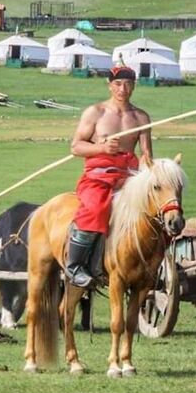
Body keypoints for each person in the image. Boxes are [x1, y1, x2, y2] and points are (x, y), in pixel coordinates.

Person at [66, 64, 153, 288]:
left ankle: (150, 263)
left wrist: (147, 173)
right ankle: (75, 265)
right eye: (118, 84)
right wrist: (102, 148)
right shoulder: (96, 112)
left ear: (134, 86)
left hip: (129, 177)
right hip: (98, 176)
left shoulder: (141, 117)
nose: (123, 89)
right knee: (96, 208)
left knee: (154, 212)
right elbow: (76, 147)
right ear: (109, 85)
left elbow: (146, 155)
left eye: (128, 84)